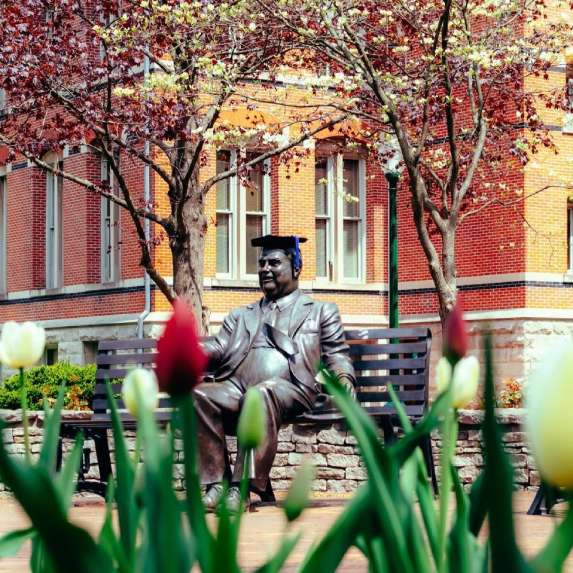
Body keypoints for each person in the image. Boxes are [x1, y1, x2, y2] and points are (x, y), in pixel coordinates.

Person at [195, 234, 356, 511]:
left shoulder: (320, 312)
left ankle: (241, 488)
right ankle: (217, 485)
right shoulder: (241, 315)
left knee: (260, 394)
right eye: (261, 264)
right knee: (200, 394)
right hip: (238, 387)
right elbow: (219, 347)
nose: (265, 269)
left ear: (295, 268)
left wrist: (344, 378)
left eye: (274, 262)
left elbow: (337, 353)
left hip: (292, 388)